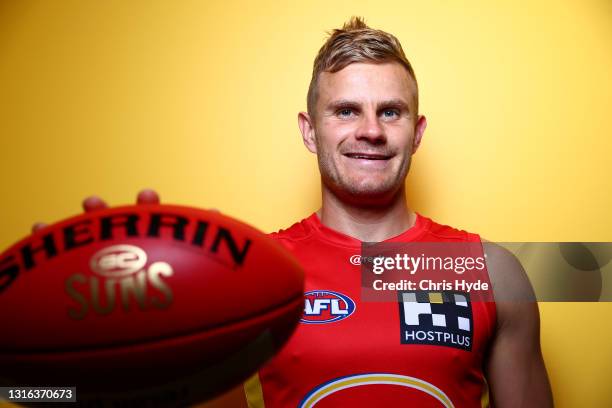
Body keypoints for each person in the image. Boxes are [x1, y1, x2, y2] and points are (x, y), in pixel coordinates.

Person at [39, 16, 553, 408]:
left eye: (390, 112)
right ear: (310, 130)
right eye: (346, 110)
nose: (370, 130)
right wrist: (84, 359)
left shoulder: (487, 269)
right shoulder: (249, 278)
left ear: (416, 133)